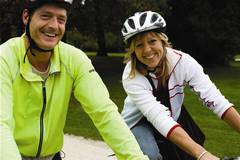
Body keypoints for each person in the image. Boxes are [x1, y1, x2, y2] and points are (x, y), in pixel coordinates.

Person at [0, 1, 150, 160]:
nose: (53, 25)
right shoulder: (5, 58)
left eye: (61, 19)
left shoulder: (74, 59)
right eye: (45, 16)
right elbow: (1, 124)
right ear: (26, 17)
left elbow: (104, 112)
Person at [120, 10, 240, 160]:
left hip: (172, 117)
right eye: (139, 45)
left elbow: (216, 101)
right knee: (150, 156)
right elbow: (159, 118)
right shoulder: (131, 75)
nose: (147, 50)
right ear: (133, 51)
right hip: (139, 123)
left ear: (162, 40)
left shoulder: (182, 62)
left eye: (152, 41)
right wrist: (203, 155)